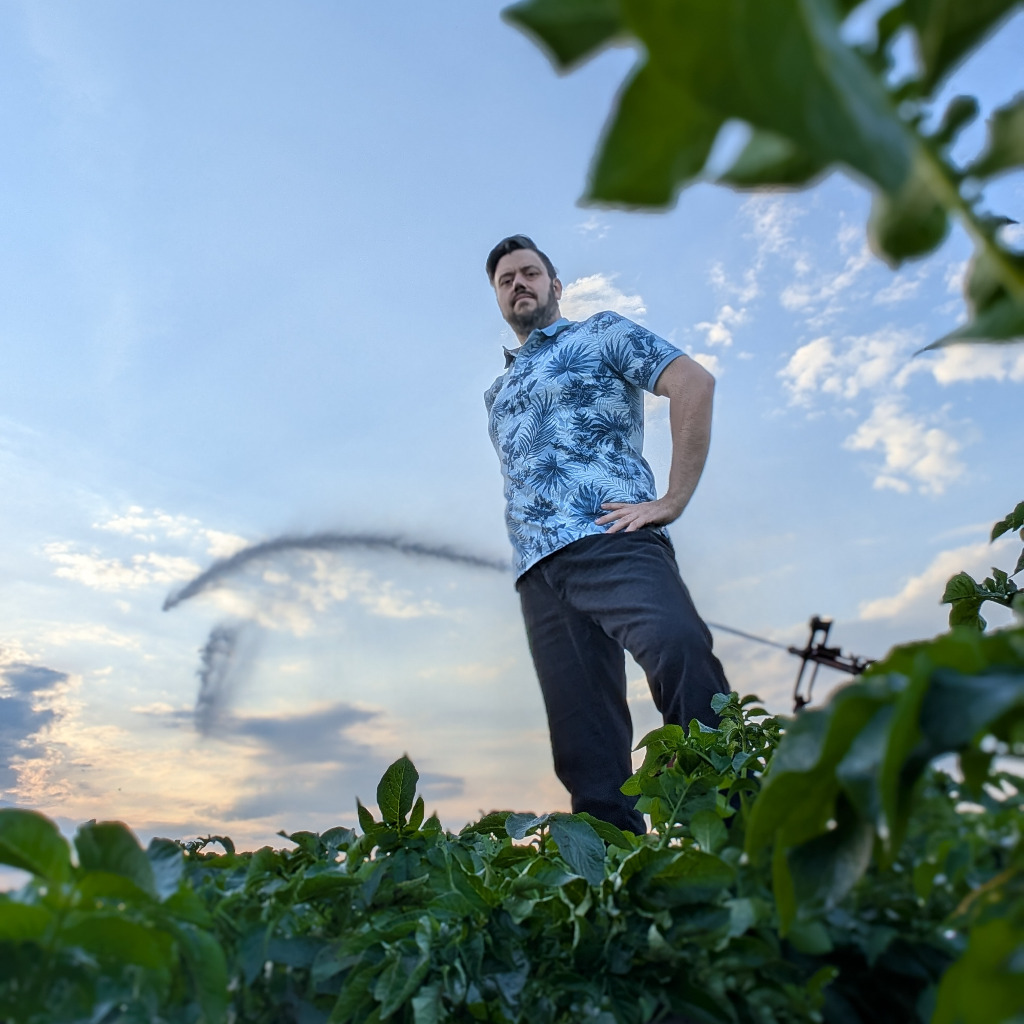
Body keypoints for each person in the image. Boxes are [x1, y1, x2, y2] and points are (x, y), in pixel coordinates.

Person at [483, 234, 730, 834]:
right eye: (505, 279)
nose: (519, 283)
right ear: (496, 297)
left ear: (555, 285)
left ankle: (731, 827)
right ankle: (618, 880)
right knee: (584, 740)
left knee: (679, 647)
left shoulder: (601, 333)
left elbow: (692, 383)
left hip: (612, 537)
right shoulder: (497, 391)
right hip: (539, 573)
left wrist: (671, 500)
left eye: (530, 273)